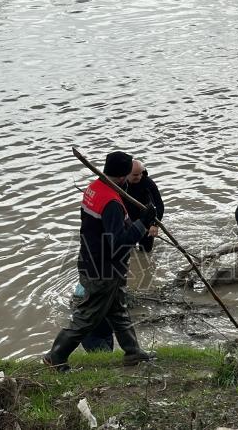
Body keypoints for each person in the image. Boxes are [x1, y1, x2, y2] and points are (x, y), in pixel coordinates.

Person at [43, 151, 157, 371]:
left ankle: (133, 352)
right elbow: (120, 243)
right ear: (123, 177)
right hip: (103, 270)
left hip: (93, 260)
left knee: (118, 310)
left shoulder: (94, 189)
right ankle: (54, 357)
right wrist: (143, 224)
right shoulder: (112, 202)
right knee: (86, 318)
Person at [123, 160, 165, 253]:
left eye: (140, 174)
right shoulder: (121, 183)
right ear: (127, 173)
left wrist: (155, 225)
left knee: (145, 251)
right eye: (135, 175)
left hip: (145, 221)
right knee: (128, 250)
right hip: (127, 220)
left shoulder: (148, 183)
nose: (138, 177)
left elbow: (159, 205)